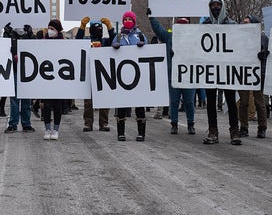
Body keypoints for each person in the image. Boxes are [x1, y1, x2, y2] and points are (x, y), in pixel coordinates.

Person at [201, 0, 241, 145]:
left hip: (227, 69)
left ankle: (234, 131)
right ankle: (213, 131)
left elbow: (242, 45)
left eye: (218, 5)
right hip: (209, 69)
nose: (215, 7)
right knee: (210, 102)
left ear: (223, 6)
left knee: (231, 101)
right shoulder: (205, 25)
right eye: (213, 5)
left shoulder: (233, 25)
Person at [148, 12, 196, 135]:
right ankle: (174, 124)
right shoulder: (169, 36)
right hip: (173, 75)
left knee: (189, 102)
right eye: (180, 24)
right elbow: (159, 29)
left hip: (188, 76)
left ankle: (191, 124)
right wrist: (152, 17)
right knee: (174, 101)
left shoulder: (195, 37)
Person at [111, 11, 149, 141]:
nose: (127, 20)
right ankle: (121, 133)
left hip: (138, 76)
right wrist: (114, 47)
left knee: (139, 105)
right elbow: (110, 52)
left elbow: (149, 52)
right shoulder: (119, 36)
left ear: (134, 21)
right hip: (122, 76)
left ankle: (141, 133)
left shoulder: (140, 35)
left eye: (130, 19)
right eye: (125, 19)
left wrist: (143, 47)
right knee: (121, 104)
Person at [76, 16, 113, 132]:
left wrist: (110, 27)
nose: (99, 31)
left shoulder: (105, 41)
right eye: (96, 28)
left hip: (103, 74)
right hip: (90, 74)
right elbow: (77, 42)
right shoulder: (86, 41)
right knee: (88, 102)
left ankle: (104, 123)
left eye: (101, 29)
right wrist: (82, 27)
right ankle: (88, 123)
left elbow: (114, 40)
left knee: (105, 101)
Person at [236, 15, 269, 139]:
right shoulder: (239, 38)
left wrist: (263, 57)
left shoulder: (263, 38)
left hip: (258, 74)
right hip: (243, 73)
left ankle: (262, 128)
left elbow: (269, 56)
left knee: (259, 101)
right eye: (243, 23)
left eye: (247, 23)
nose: (244, 25)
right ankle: (243, 127)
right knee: (243, 102)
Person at [3, 23, 36, 134]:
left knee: (27, 99)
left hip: (28, 71)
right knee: (14, 99)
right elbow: (3, 46)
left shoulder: (29, 34)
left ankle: (26, 124)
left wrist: (30, 33)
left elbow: (36, 46)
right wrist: (6, 32)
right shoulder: (10, 34)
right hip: (15, 70)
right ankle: (13, 124)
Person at [40, 19, 66, 140]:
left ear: (58, 30)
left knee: (57, 106)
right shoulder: (43, 42)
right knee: (47, 105)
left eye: (53, 29)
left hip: (59, 80)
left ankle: (55, 130)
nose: (50, 31)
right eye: (49, 28)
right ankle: (47, 129)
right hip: (47, 79)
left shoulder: (63, 42)